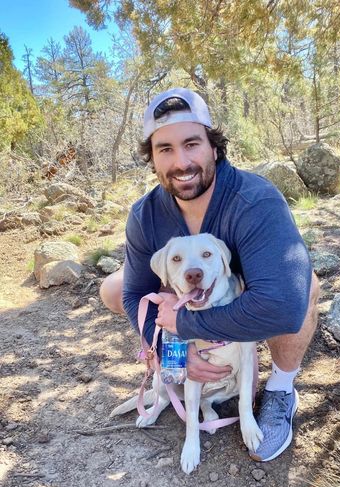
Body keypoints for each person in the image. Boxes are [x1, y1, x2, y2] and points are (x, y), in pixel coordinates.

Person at [100, 87, 319, 462]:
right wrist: (173, 357)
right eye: (165, 149)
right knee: (114, 287)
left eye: (191, 143)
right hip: (192, 298)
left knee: (303, 287)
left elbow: (282, 306)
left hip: (252, 292)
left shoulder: (254, 200)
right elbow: (135, 294)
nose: (181, 161)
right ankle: (176, 375)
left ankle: (281, 388)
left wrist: (188, 326)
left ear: (214, 147)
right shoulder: (144, 215)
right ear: (152, 159)